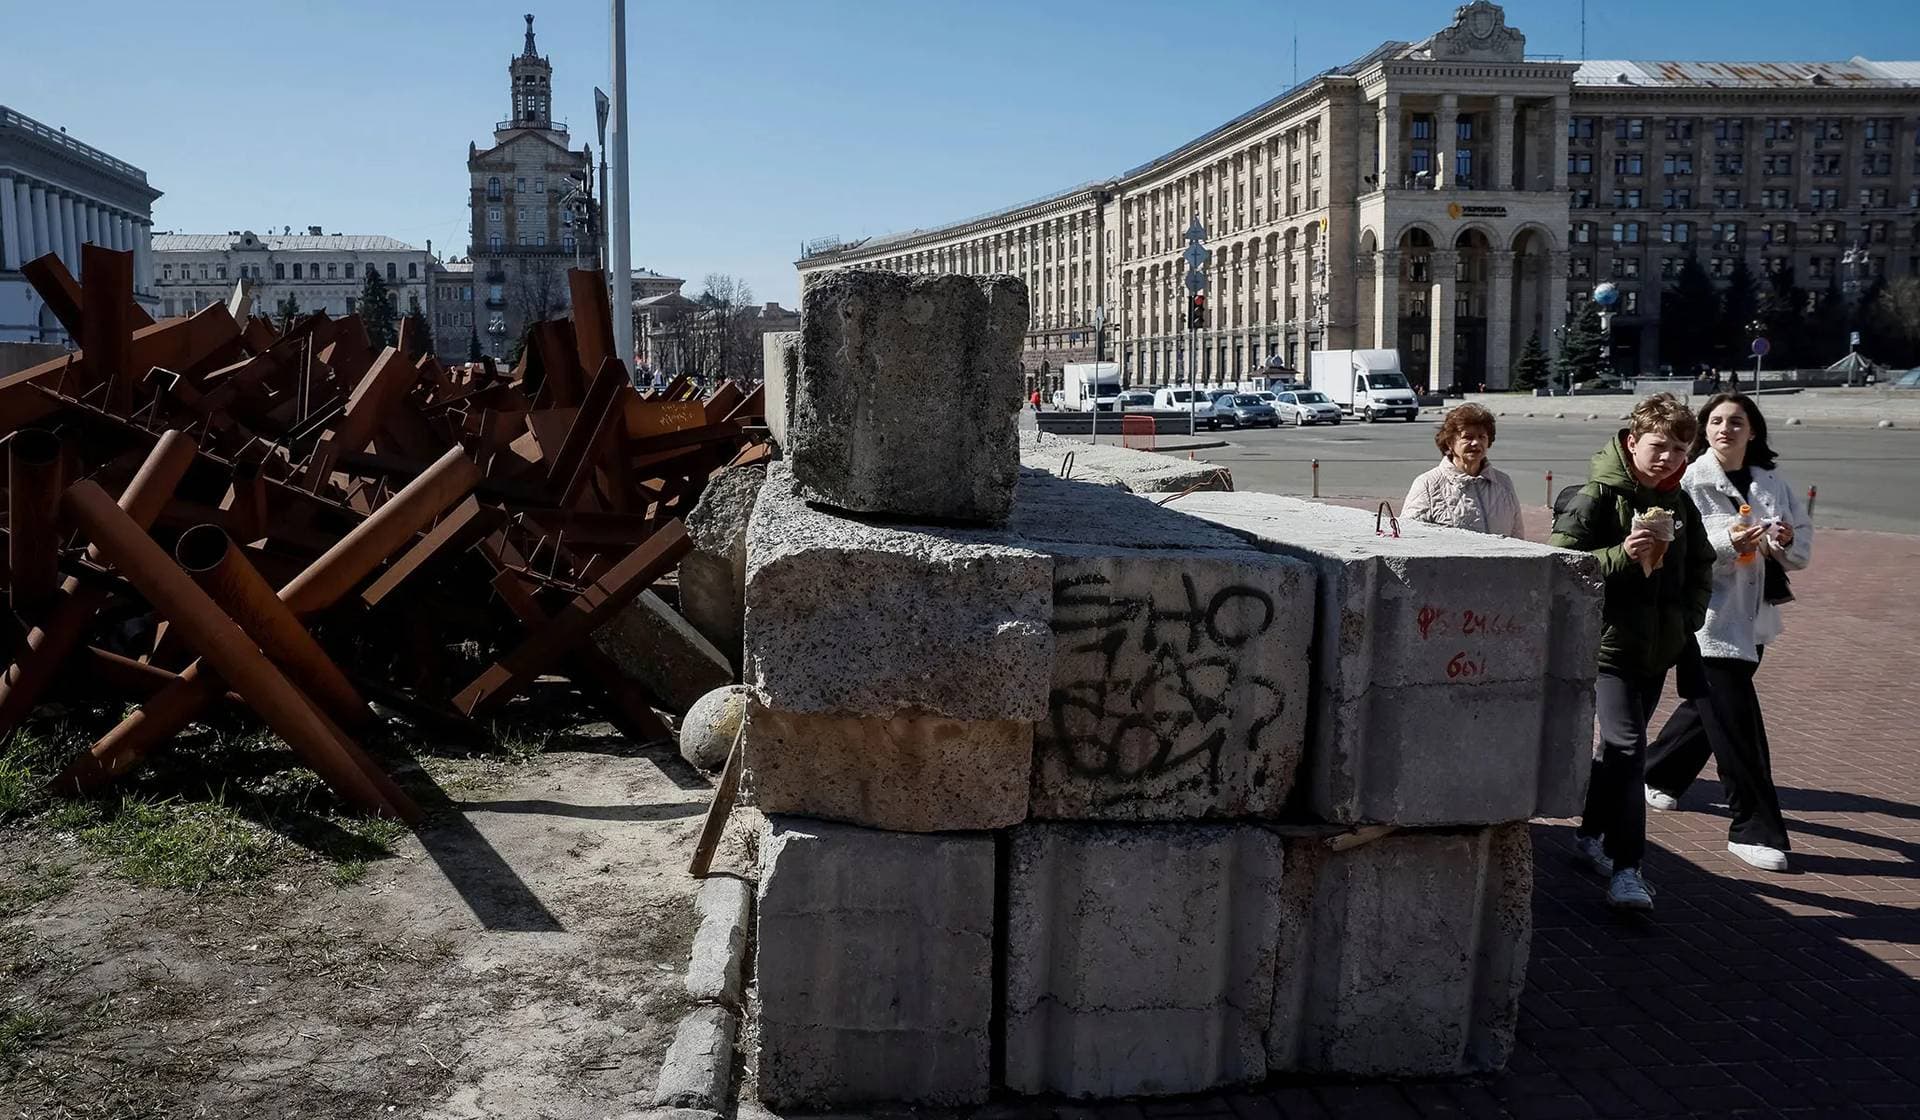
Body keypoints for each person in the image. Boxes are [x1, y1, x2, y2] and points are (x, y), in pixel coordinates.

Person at [1549, 393, 1714, 912]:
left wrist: (1689, 619)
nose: (1669, 458)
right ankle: (1627, 869)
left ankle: (1589, 835)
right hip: (1608, 646)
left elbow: (1702, 566)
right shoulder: (1598, 496)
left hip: (1657, 649)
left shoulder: (1680, 502)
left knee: (1614, 754)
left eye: (1681, 449)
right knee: (1627, 748)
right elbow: (1559, 568)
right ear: (1633, 440)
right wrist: (1621, 555)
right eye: (1660, 446)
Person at [1644, 393, 1812, 872]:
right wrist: (1727, 540)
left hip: (1754, 621)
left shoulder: (1771, 484)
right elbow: (1674, 548)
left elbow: (1801, 550)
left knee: (1706, 712)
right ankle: (1753, 828)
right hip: (1707, 623)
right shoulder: (1690, 481)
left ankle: (1657, 772)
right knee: (1739, 725)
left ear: (1752, 431)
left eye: (1736, 421)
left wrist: (1785, 540)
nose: (1725, 428)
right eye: (1715, 421)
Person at [1402, 404, 1523, 537]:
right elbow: (1410, 536)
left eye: (1482, 437)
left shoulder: (1503, 482)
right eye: (1468, 437)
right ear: (1449, 442)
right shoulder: (1427, 484)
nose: (1476, 443)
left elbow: (1517, 535)